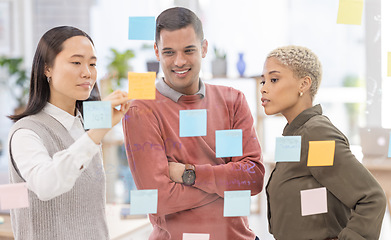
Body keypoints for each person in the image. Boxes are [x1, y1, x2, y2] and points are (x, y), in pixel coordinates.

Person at [122, 7, 265, 240]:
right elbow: (158, 199)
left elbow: (254, 178)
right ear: (157, 52)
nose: (179, 61)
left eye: (189, 50)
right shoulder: (141, 110)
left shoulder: (233, 100)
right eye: (169, 52)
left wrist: (189, 174)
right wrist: (226, 185)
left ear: (204, 48)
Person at [7, 26, 131, 239]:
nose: (87, 72)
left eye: (92, 64)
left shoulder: (83, 126)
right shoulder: (26, 132)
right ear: (47, 68)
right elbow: (46, 185)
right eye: (76, 62)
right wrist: (98, 130)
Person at [260, 45, 387, 240]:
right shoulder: (294, 135)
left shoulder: (316, 134)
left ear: (304, 84)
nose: (264, 88)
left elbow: (371, 199)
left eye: (274, 79)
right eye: (263, 80)